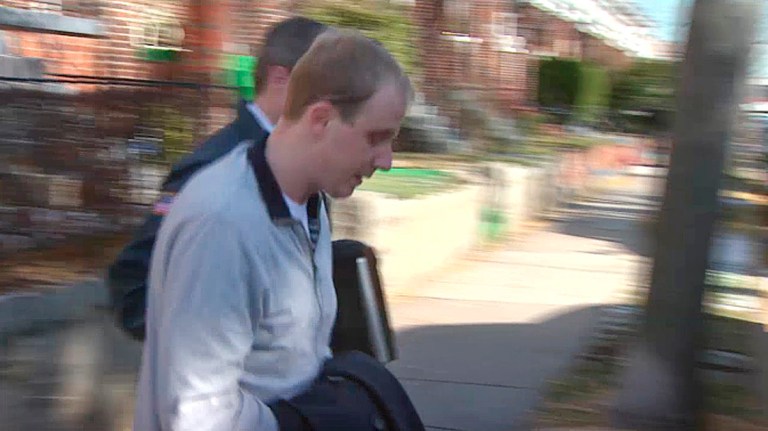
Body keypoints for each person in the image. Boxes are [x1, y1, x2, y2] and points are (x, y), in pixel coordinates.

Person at [131, 29, 413, 431]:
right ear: (321, 119)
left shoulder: (310, 201)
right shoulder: (222, 223)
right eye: (376, 138)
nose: (386, 160)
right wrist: (310, 420)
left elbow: (288, 364)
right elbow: (198, 416)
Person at [106, 17, 329, 341]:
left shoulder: (305, 163)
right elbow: (133, 285)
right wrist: (221, 347)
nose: (339, 106)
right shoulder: (212, 166)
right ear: (281, 79)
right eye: (327, 89)